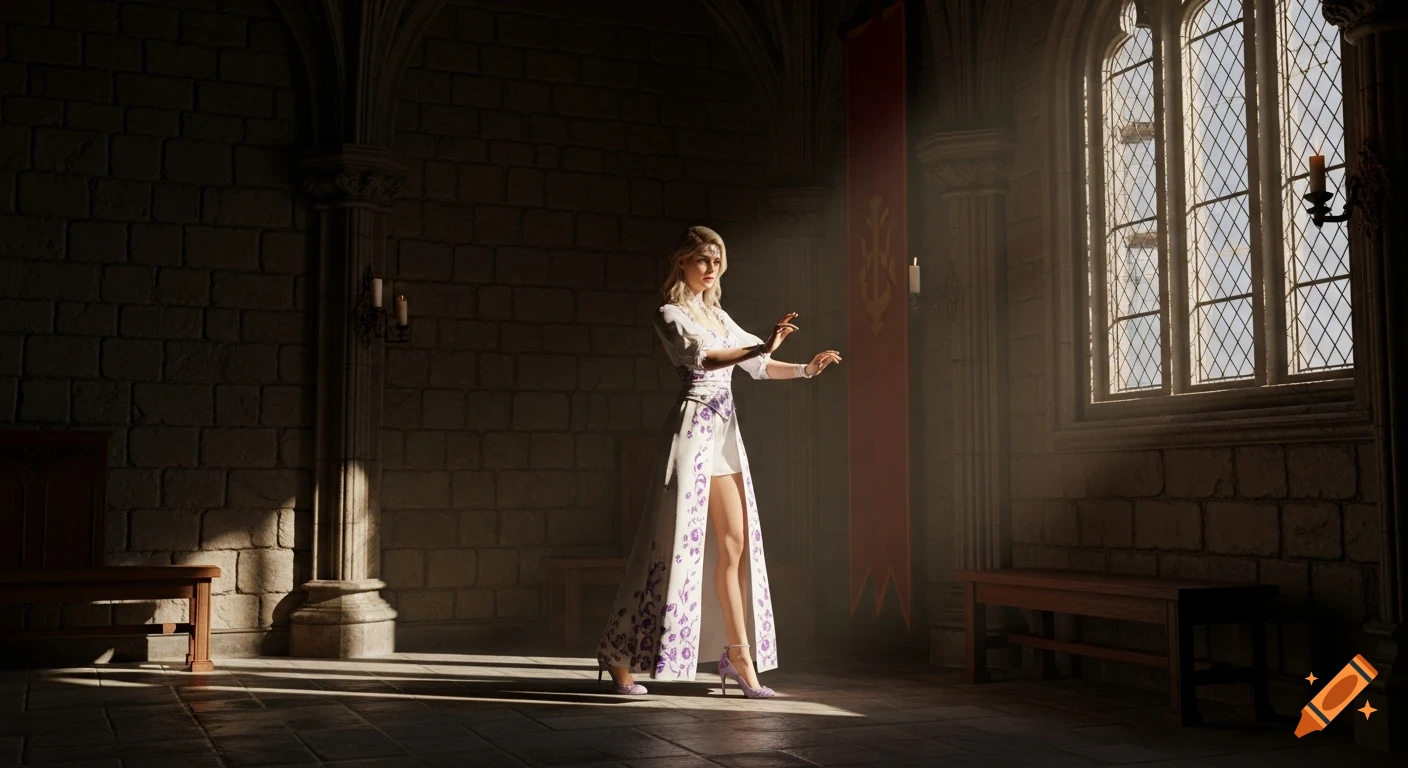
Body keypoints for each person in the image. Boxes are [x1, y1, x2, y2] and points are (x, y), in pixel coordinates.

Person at [595, 225, 842, 699]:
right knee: (663, 548)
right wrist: (761, 346)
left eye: (717, 262)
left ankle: (738, 657)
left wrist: (805, 369)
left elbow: (758, 365)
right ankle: (618, 652)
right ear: (681, 261)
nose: (711, 270)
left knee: (734, 548)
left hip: (723, 436)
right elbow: (707, 359)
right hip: (691, 433)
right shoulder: (669, 313)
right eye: (703, 260)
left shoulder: (718, 313)